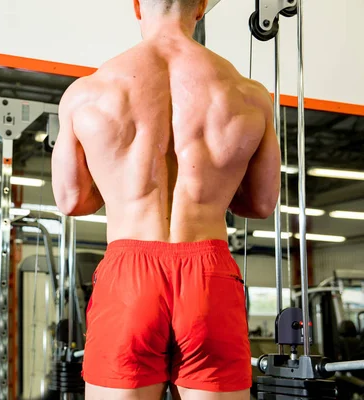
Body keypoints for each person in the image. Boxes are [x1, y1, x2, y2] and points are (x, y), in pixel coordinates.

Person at [51, 0, 281, 399]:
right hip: (209, 274)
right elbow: (261, 204)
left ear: (137, 6)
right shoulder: (250, 95)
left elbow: (71, 200)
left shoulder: (87, 92)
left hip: (128, 273)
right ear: (202, 7)